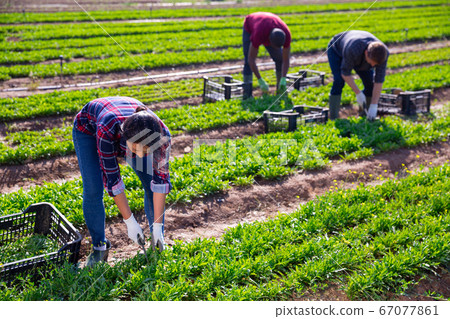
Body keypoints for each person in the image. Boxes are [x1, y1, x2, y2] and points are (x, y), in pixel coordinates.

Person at [72, 96, 171, 267]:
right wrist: (130, 221)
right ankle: (99, 247)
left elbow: (160, 182)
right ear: (126, 139)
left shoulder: (162, 135)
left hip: (128, 128)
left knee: (150, 184)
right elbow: (113, 180)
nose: (140, 156)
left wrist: (157, 227)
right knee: (93, 190)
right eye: (136, 150)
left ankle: (157, 242)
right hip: (87, 129)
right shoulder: (106, 130)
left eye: (147, 150)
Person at [327, 30, 389, 120]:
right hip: (336, 50)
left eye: (375, 64)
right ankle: (333, 116)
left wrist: (374, 105)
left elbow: (379, 80)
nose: (373, 66)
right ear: (366, 53)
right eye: (372, 63)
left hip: (358, 56)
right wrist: (358, 93)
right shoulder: (353, 49)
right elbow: (345, 73)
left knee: (369, 83)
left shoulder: (383, 54)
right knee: (339, 80)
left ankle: (366, 113)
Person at [242, 12, 291, 99]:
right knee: (247, 61)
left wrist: (284, 78)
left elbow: (285, 59)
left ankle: (280, 89)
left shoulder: (286, 34)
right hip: (250, 24)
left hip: (268, 22)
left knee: (279, 59)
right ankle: (247, 93)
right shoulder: (259, 34)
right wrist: (260, 80)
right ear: (269, 41)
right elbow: (251, 59)